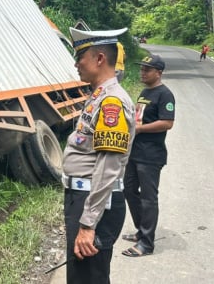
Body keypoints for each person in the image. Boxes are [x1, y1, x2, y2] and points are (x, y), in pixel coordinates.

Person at [61, 26, 136, 283]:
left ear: (100, 58)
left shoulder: (111, 102)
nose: (76, 63)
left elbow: (108, 166)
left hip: (94, 201)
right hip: (84, 197)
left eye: (80, 57)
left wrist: (88, 224)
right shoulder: (98, 96)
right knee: (83, 277)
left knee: (89, 278)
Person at [121, 54, 175, 258]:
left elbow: (167, 123)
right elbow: (138, 116)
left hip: (151, 156)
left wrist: (141, 129)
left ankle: (146, 243)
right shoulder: (144, 92)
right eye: (142, 68)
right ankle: (141, 230)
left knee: (148, 198)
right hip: (135, 152)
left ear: (158, 73)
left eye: (147, 69)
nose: (142, 72)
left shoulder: (165, 95)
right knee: (128, 190)